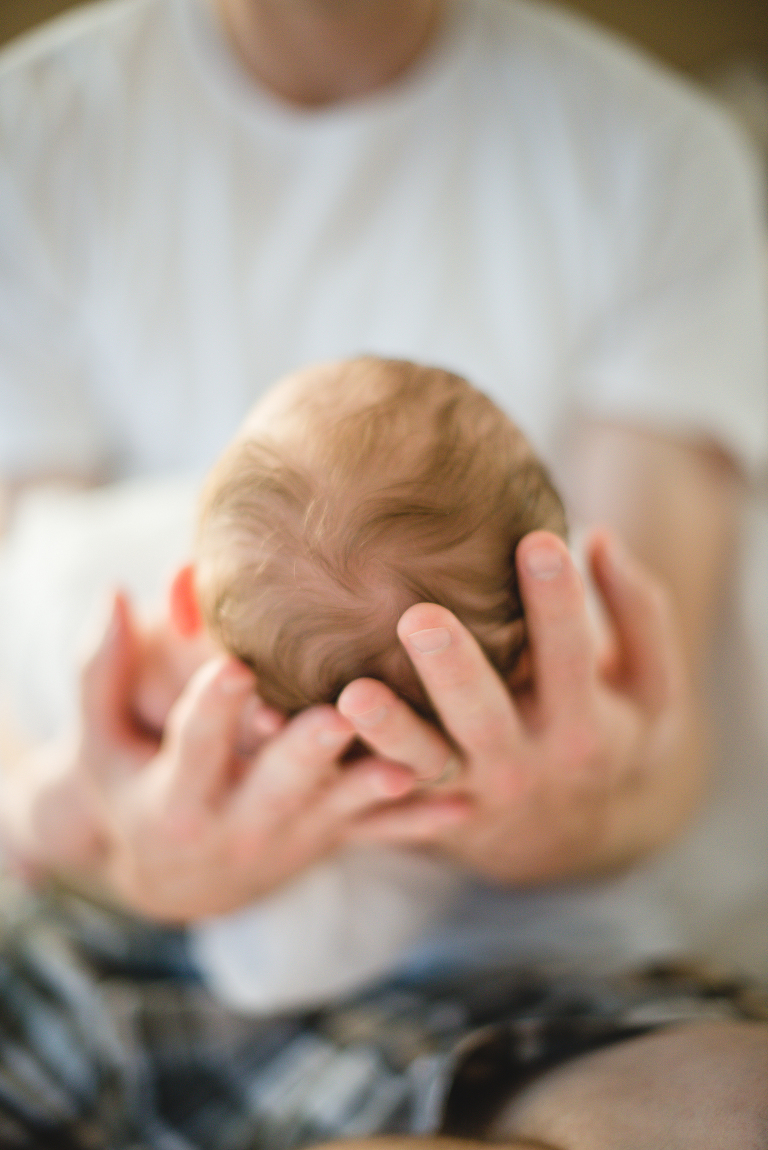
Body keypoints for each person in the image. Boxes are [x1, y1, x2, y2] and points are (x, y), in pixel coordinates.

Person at [0, 0, 766, 992]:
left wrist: (582, 814)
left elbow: (663, 757)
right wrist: (99, 839)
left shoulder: (657, 157)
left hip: (535, 947)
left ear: (188, 596)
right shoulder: (34, 133)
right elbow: (275, 964)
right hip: (99, 921)